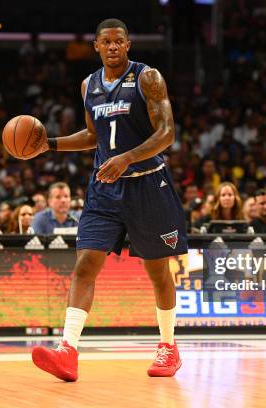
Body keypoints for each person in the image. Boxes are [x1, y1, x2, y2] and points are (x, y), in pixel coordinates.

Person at [30, 18, 187, 381]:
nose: (113, 46)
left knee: (158, 271)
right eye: (106, 41)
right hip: (105, 186)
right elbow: (92, 134)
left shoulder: (148, 78)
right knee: (85, 263)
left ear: (128, 44)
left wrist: (128, 157)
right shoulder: (88, 85)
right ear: (96, 46)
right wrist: (48, 144)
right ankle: (67, 350)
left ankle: (168, 346)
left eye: (119, 41)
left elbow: (167, 133)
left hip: (147, 183)